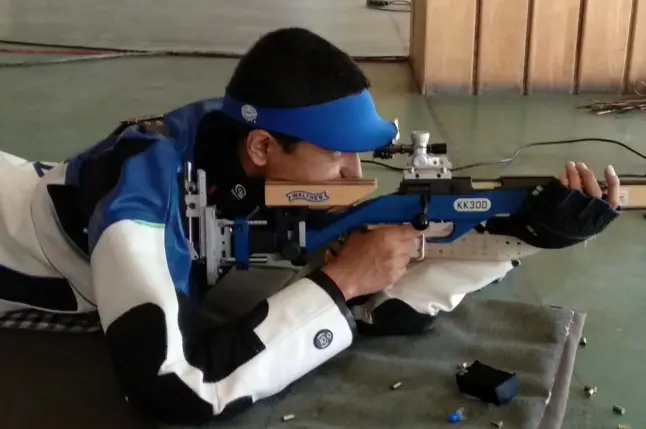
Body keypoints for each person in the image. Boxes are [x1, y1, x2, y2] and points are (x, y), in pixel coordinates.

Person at [0, 27, 621, 425]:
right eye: (337, 156)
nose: (354, 175)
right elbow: (173, 388)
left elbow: (388, 306)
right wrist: (340, 281)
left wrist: (530, 232)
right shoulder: (139, 206)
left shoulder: (238, 142)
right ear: (264, 148)